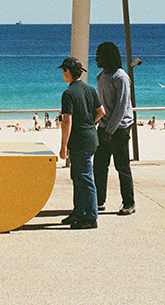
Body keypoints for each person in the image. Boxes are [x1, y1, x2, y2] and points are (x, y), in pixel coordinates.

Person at [58, 57, 105, 230]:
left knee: (84, 178)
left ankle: (91, 217)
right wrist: (88, 123)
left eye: (63, 71)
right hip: (91, 138)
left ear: (69, 72)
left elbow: (67, 121)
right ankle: (78, 212)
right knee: (78, 177)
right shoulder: (89, 89)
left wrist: (63, 145)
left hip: (79, 141)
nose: (62, 74)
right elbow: (101, 111)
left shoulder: (68, 93)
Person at [93, 42, 136, 216]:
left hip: (120, 129)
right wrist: (98, 124)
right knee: (99, 166)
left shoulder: (121, 77)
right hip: (104, 127)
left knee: (122, 166)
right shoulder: (100, 76)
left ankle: (129, 203)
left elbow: (121, 106)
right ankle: (99, 201)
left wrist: (110, 130)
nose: (96, 58)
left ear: (107, 56)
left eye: (99, 55)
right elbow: (101, 105)